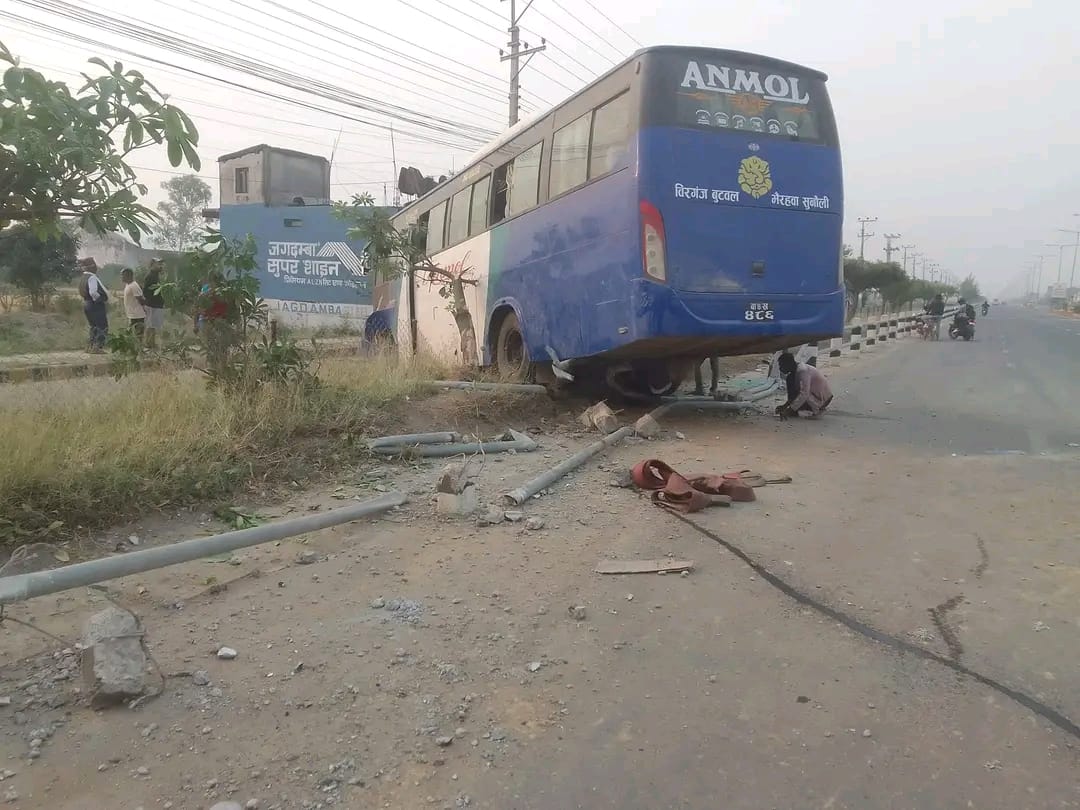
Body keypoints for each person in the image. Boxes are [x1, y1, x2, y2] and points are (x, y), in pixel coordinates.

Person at [775, 352, 833, 418]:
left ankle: (817, 410)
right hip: (815, 395)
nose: (780, 368)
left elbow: (804, 394)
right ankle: (797, 409)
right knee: (790, 380)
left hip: (823, 398)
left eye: (781, 365)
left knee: (801, 397)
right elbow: (793, 395)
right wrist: (784, 406)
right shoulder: (794, 374)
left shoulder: (803, 371)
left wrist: (788, 411)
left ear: (788, 364)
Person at [77, 257, 109, 353]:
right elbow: (93, 292)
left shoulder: (83, 277)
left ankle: (90, 346)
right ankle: (97, 347)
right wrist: (99, 300)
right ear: (92, 267)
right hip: (94, 304)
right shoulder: (92, 277)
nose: (96, 267)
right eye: (94, 265)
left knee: (93, 326)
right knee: (102, 326)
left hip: (87, 304)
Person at [142, 258, 166, 348]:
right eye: (158, 264)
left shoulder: (157, 276)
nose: (161, 266)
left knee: (154, 325)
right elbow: (145, 291)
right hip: (152, 304)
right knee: (150, 324)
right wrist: (150, 300)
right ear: (152, 264)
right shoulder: (150, 276)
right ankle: (149, 343)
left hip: (157, 304)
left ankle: (151, 343)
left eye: (161, 264)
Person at [121, 268, 147, 342]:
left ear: (129, 275)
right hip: (132, 314)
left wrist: (145, 308)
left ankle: (139, 349)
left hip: (138, 314)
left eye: (123, 275)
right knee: (132, 333)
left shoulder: (134, 285)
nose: (122, 277)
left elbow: (140, 299)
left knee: (138, 334)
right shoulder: (128, 285)